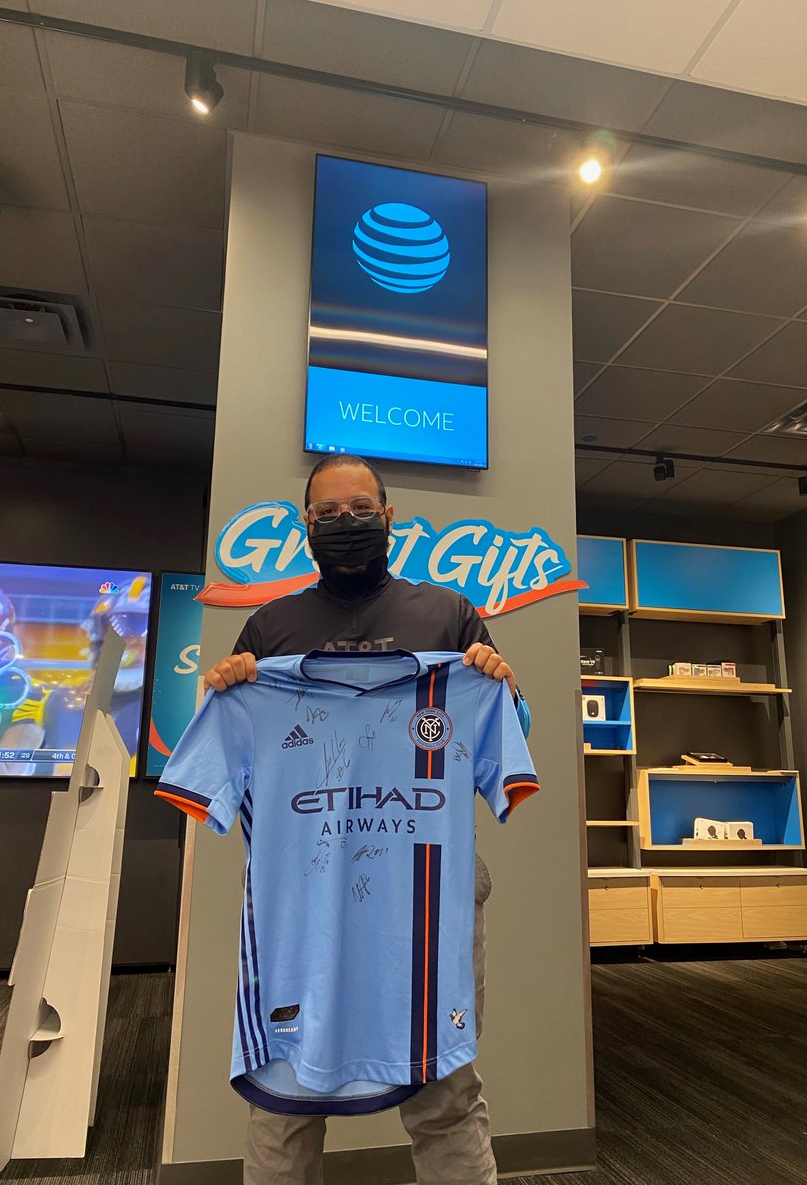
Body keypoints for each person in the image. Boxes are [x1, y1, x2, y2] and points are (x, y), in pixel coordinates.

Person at [205, 453, 527, 1185]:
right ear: (305, 525)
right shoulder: (269, 627)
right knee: (284, 1098)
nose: (344, 523)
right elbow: (232, 750)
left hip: (427, 899)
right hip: (304, 904)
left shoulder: (447, 614)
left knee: (443, 1091)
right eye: (327, 513)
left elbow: (508, 733)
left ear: (388, 517)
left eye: (359, 510)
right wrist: (225, 687)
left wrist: (503, 687)